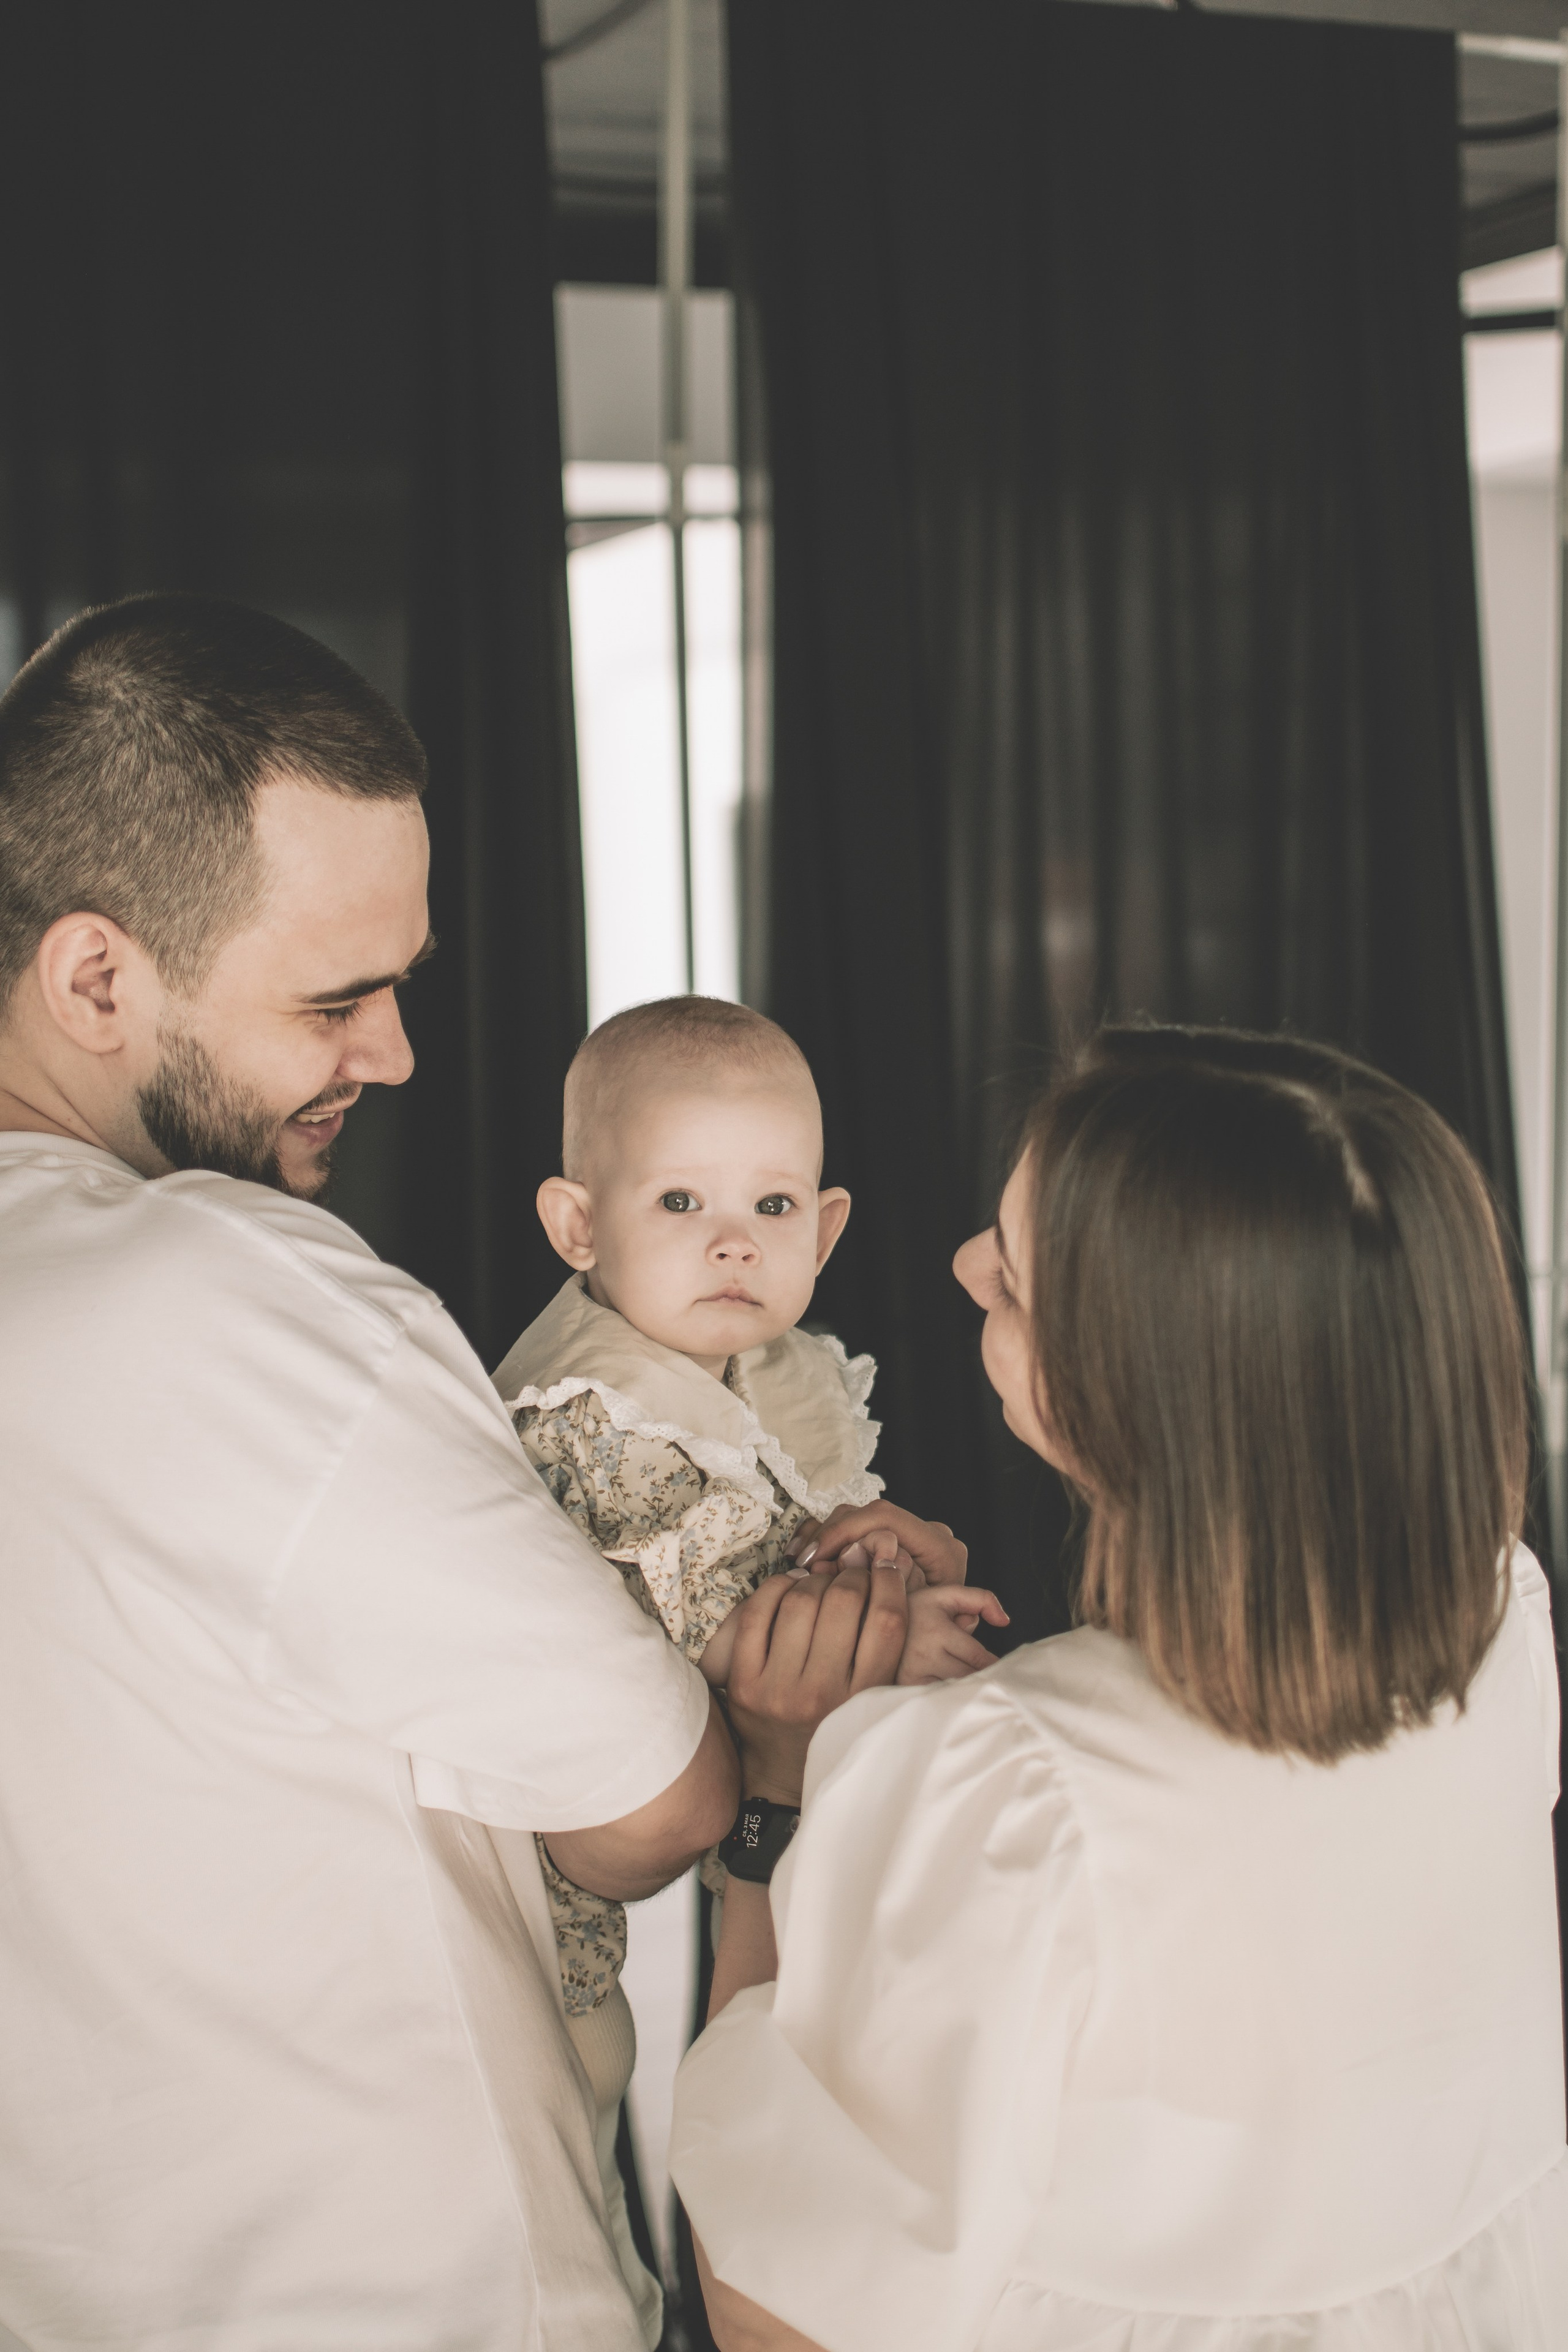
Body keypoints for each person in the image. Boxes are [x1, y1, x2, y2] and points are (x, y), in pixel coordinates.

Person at [0, 591, 778, 2351]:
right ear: (96, 976)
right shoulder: (226, 1291)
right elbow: (657, 1801)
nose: (397, 1057)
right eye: (337, 999)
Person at [671, 1024, 1568, 2351]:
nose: (967, 1263)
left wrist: (779, 1789)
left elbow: (776, 2312)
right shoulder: (1503, 1615)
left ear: (1127, 1407)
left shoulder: (1006, 1790)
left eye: (1015, 1283)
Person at [488, 993, 1003, 2320]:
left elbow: (793, 1529)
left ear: (824, 1229)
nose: (732, 1240)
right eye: (676, 1204)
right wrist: (892, 1614)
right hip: (549, 1844)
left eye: (773, 1209)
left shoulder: (769, 1364)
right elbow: (726, 1621)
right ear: (575, 1227)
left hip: (726, 1791)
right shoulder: (597, 1410)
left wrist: (865, 1552)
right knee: (563, 2073)